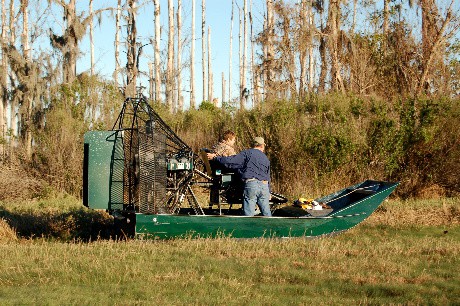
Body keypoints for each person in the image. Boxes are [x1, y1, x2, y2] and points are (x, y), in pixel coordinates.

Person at [207, 137, 272, 217]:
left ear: (253, 145)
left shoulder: (247, 153)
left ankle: (247, 228)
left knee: (248, 214)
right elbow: (268, 176)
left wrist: (215, 158)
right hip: (264, 186)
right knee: (266, 213)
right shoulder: (265, 158)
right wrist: (269, 191)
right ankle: (269, 228)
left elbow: (231, 161)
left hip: (252, 184)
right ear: (262, 146)